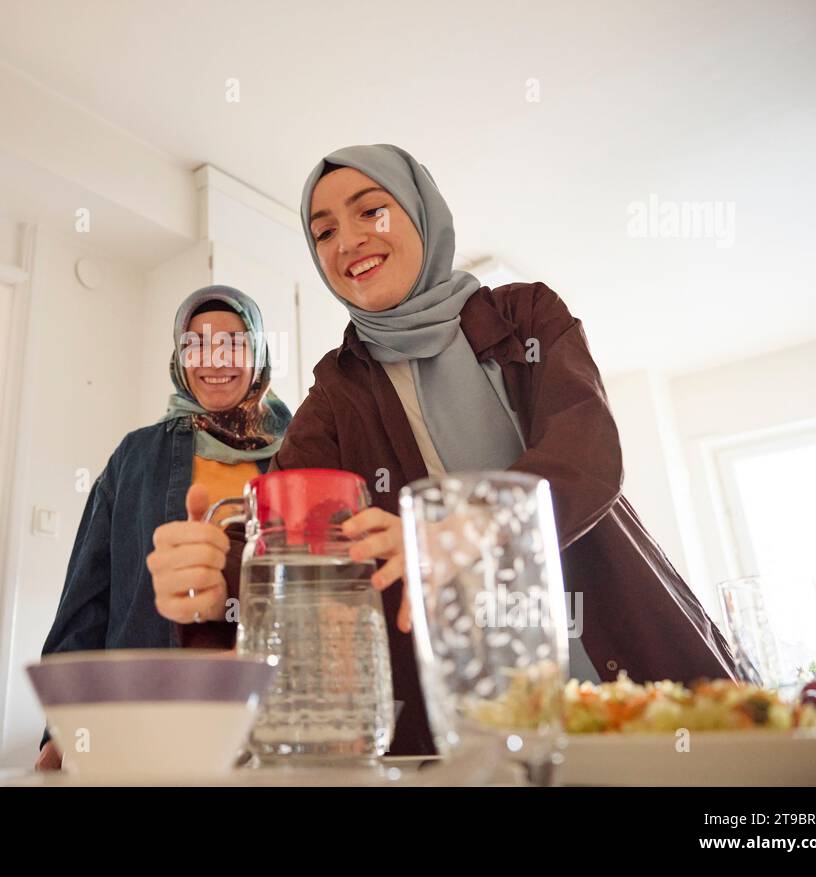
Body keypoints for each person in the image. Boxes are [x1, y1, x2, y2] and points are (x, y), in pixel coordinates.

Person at [151, 144, 739, 756]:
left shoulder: (526, 315)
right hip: (456, 723)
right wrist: (214, 583)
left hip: (618, 668)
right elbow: (289, 539)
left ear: (420, 214)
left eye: (370, 212)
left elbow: (586, 456)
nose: (346, 241)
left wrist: (450, 532)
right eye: (323, 232)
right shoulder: (337, 390)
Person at [36, 285, 290, 770]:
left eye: (234, 341)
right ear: (179, 356)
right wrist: (60, 727)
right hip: (144, 718)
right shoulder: (135, 456)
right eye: (195, 343)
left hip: (266, 720)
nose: (214, 358)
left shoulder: (301, 449)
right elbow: (87, 599)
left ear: (257, 350)